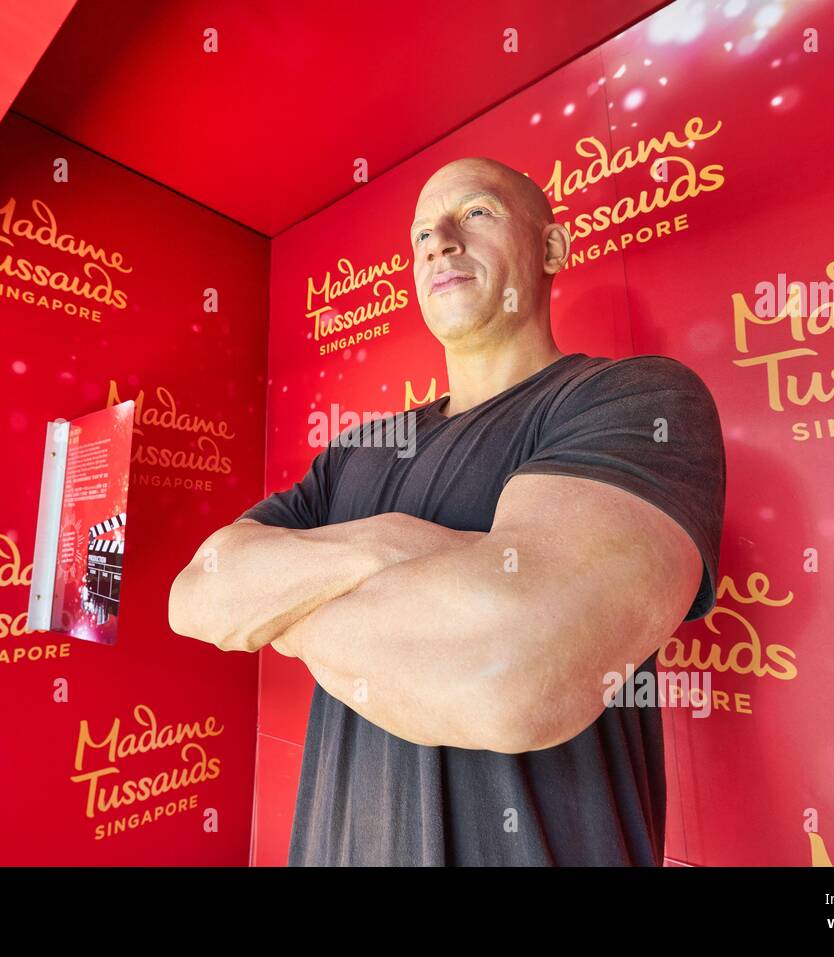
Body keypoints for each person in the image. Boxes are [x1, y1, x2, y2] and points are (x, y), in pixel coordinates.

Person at [168, 156, 726, 866]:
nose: (440, 241)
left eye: (476, 214)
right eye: (422, 235)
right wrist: (385, 546)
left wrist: (280, 605)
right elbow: (197, 596)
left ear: (550, 248)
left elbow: (515, 672)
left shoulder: (634, 402)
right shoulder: (358, 452)